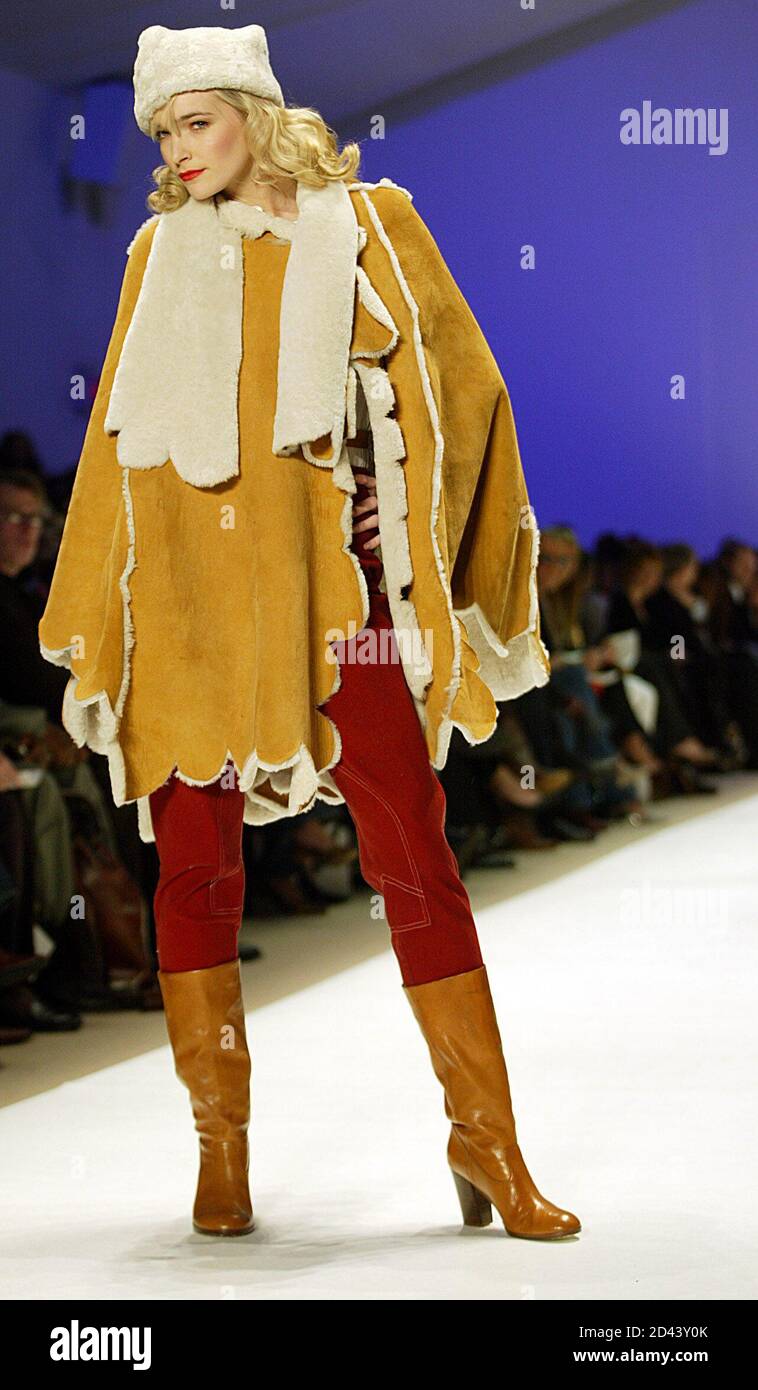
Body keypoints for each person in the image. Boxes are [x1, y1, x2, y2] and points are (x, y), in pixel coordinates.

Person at [38, 21, 580, 1241]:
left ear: (252, 110)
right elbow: (111, 456)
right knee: (193, 866)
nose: (179, 153)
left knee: (412, 851)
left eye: (196, 123)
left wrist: (408, 494)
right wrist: (96, 619)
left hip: (345, 613)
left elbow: (465, 383)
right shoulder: (152, 254)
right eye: (163, 133)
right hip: (188, 611)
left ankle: (485, 1139)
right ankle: (217, 1152)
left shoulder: (369, 222)